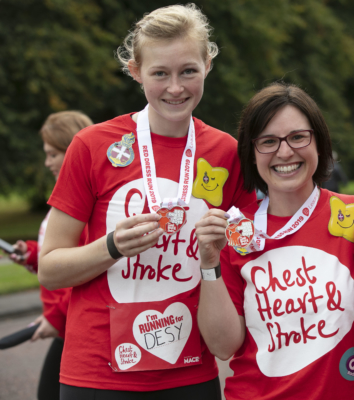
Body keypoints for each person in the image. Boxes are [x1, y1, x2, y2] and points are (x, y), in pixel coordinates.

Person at [38, 4, 255, 399]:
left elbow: (246, 255)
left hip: (189, 371)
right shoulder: (93, 145)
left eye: (188, 70)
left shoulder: (226, 152)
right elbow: (50, 269)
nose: (176, 88)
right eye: (160, 73)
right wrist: (111, 247)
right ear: (136, 72)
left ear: (208, 65)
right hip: (96, 374)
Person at [194, 83, 354, 399]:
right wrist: (208, 263)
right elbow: (222, 346)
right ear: (252, 152)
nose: (284, 152)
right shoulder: (235, 231)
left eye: (298, 137)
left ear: (319, 142)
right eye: (269, 142)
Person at [7, 111, 92, 400]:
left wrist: (55, 317)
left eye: (53, 154)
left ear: (72, 150)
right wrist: (32, 255)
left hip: (75, 325)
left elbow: (87, 270)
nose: (47, 163)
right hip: (65, 326)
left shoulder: (87, 205)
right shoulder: (66, 196)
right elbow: (60, 254)